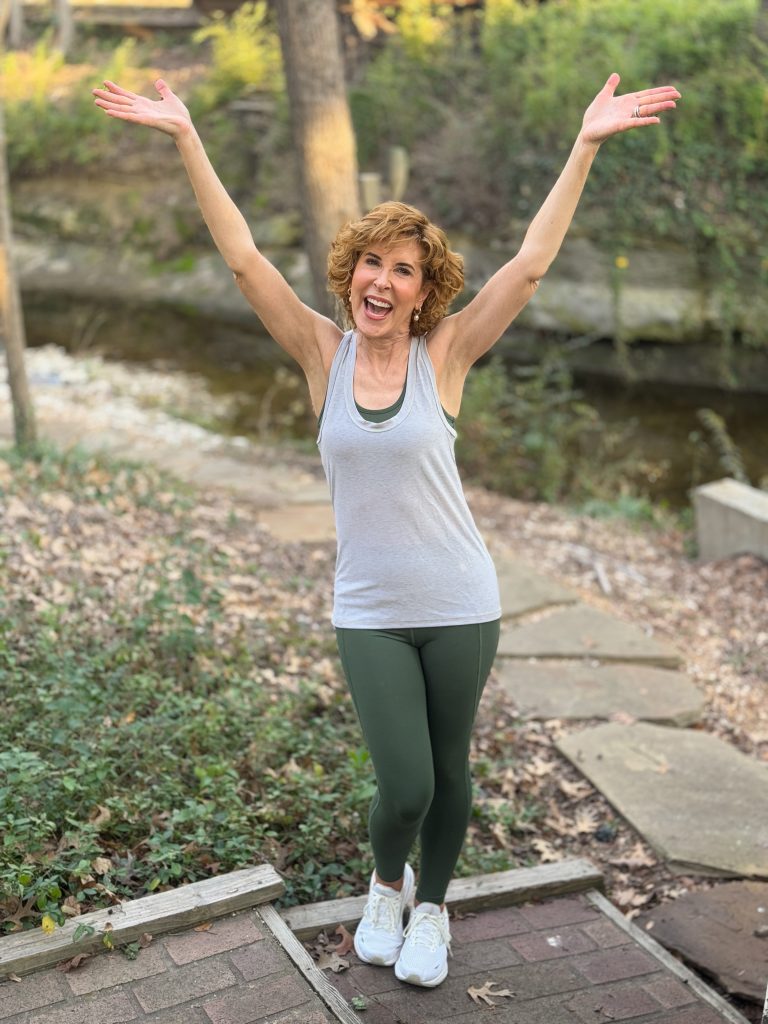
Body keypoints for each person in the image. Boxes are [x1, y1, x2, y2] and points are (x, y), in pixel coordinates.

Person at [93, 71, 679, 988]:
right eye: (373, 262)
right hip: (368, 607)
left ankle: (433, 910)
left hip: (459, 600)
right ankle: (384, 883)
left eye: (404, 270)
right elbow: (246, 260)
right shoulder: (318, 353)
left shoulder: (445, 355)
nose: (383, 280)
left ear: (421, 292)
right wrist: (185, 137)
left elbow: (526, 266)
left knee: (448, 774)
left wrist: (585, 146)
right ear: (352, 273)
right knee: (403, 785)